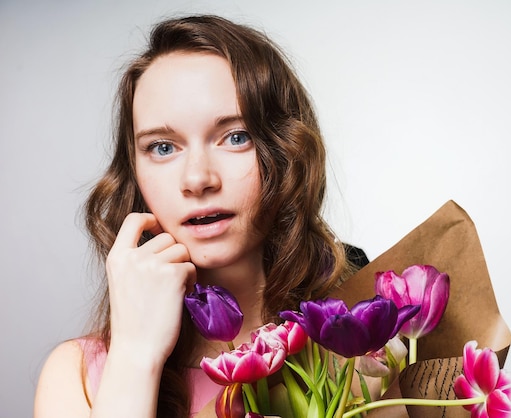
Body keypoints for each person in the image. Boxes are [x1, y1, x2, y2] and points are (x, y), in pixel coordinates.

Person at [34, 14, 368, 418]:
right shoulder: (79, 376)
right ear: (134, 174)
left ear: (285, 153)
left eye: (236, 137)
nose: (197, 179)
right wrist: (136, 358)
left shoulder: (359, 350)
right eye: (162, 147)